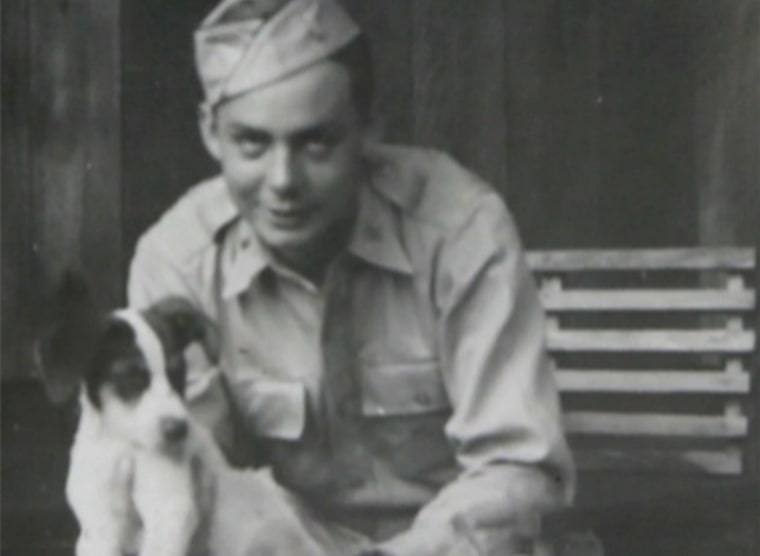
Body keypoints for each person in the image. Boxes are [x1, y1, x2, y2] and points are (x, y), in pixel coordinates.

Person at [127, 0, 575, 554]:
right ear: (210, 133)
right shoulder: (177, 261)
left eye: (316, 142)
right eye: (253, 144)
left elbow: (516, 463)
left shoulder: (459, 229)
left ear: (369, 128)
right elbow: (193, 481)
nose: (283, 181)